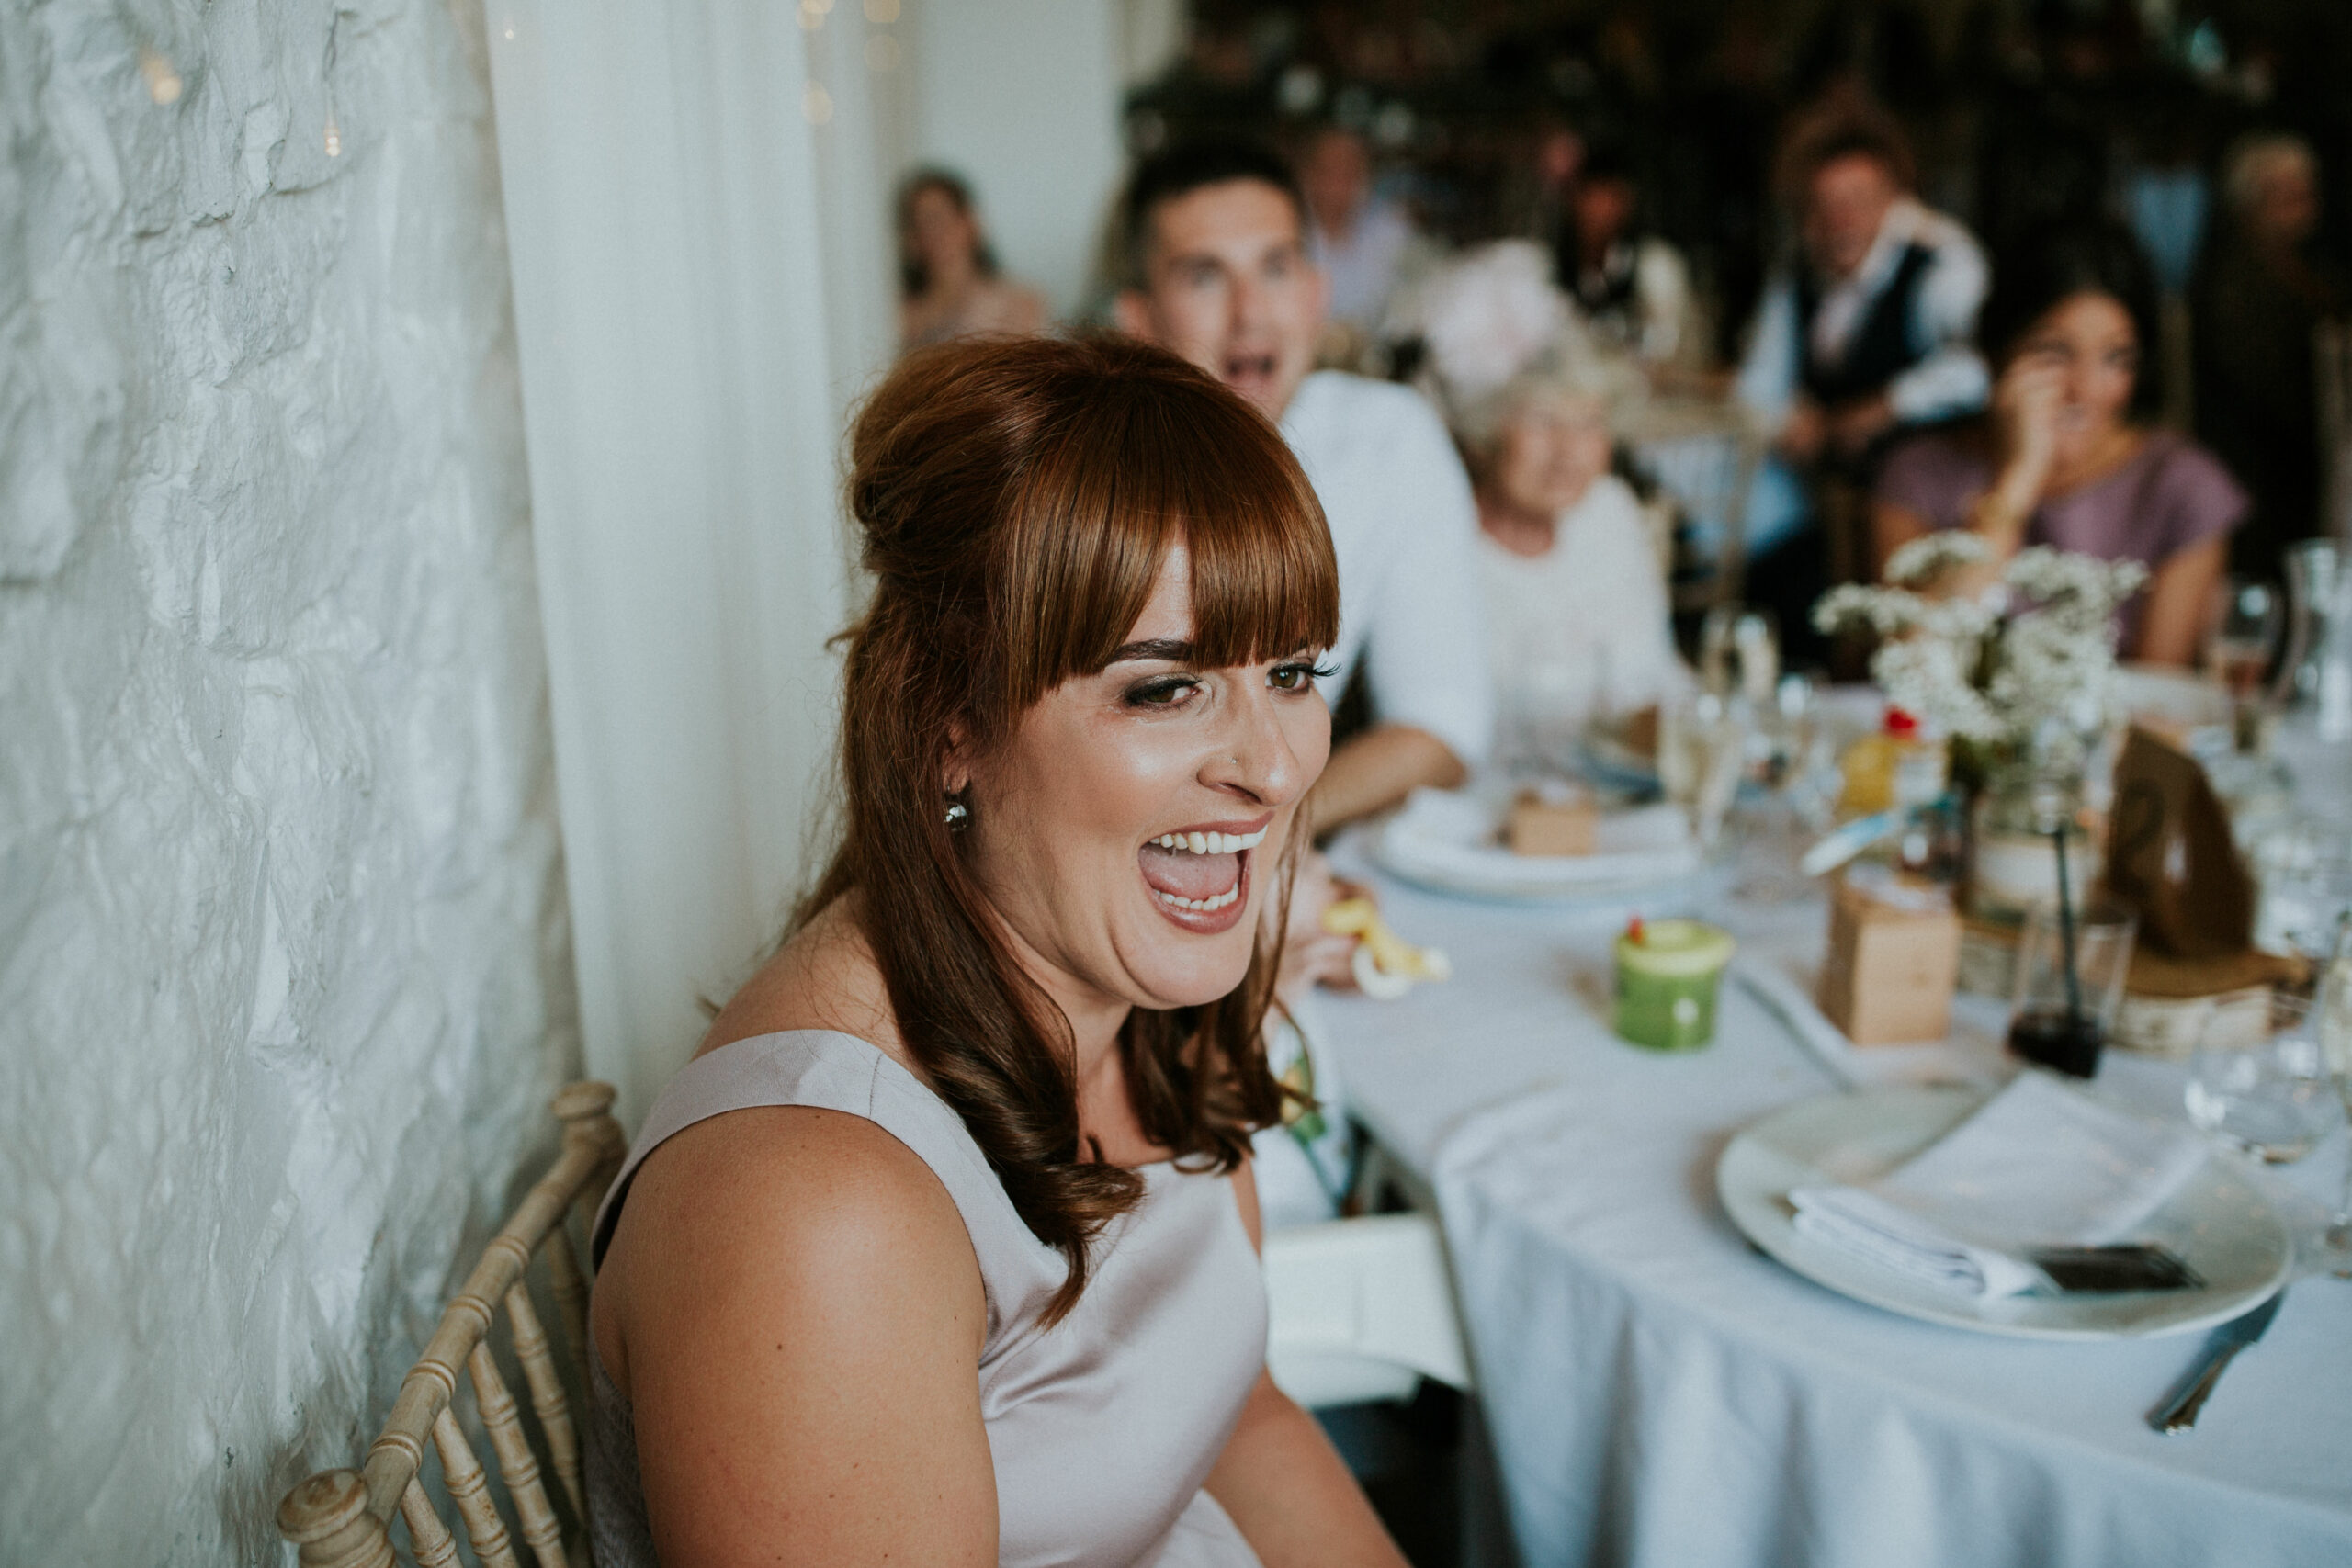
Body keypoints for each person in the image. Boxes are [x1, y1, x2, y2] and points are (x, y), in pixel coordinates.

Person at [585, 335, 1408, 1567]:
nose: (1278, 766)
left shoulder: (1140, 988)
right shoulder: (814, 1211)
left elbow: (1242, 1413)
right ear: (954, 720)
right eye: (1165, 688)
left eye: (1290, 670)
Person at [1113, 138, 1492, 832]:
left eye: (1276, 269)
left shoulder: (1388, 439)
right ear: (1138, 319)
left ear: (1317, 294)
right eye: (1205, 277)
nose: (1250, 313)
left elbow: (1442, 727)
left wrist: (1271, 837)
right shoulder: (1082, 476)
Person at [1872, 220, 2245, 665]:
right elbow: (1914, 658)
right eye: (2054, 352)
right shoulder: (1915, 475)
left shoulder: (2184, 486)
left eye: (2115, 358)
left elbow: (2158, 691)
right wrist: (2019, 477)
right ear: (1996, 355)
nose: (2084, 391)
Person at [1736, 105, 1989, 659]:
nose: (1840, 220)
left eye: (1857, 201)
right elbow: (1757, 385)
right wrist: (1788, 420)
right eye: (1823, 206)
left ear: (1892, 199)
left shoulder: (1943, 263)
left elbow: (1983, 365)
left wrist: (1889, 404)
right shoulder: (1799, 272)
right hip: (1823, 493)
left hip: (1931, 490)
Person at [1461, 373, 1689, 760]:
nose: (1568, 451)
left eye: (1589, 423)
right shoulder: (1447, 539)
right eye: (1541, 420)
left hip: (1627, 781)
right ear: (1484, 432)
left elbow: (1659, 676)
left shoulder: (1609, 509)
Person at [2194, 134, 2346, 579]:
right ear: (2249, 203)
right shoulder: (2235, 279)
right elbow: (2259, 383)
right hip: (2262, 467)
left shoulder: (2316, 267)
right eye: (2284, 193)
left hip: (2312, 461)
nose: (2302, 201)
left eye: (2305, 189)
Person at [1554, 142, 1701, 372]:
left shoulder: (1655, 266)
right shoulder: (1555, 270)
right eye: (1592, 197)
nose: (1601, 210)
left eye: (1611, 198)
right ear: (1575, 200)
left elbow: (1672, 353)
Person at [896, 167, 1047, 354]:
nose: (936, 235)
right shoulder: (905, 318)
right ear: (911, 240)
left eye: (941, 219)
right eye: (923, 224)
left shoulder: (1022, 303)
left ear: (969, 222)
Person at [1295, 124, 1423, 334]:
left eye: (1350, 169)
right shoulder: (1287, 230)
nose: (1339, 182)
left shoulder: (1391, 230)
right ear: (1307, 174)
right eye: (1328, 169)